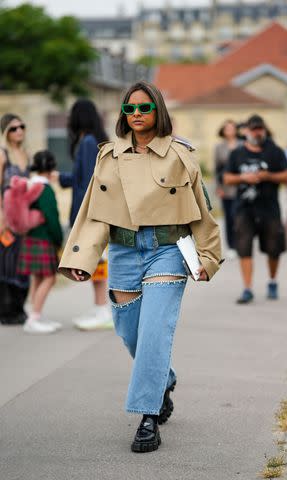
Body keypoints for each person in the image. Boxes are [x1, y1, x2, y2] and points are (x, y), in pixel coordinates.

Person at [58, 81, 222, 452]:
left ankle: (148, 417)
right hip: (123, 252)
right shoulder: (108, 156)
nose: (135, 115)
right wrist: (82, 258)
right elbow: (93, 212)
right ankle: (163, 377)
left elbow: (202, 210)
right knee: (131, 334)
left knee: (152, 332)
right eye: (129, 109)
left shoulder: (181, 155)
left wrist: (209, 257)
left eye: (144, 108)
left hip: (166, 250)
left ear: (157, 111)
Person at [56, 99, 113, 331]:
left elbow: (91, 183)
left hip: (90, 214)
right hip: (92, 212)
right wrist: (60, 177)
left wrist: (82, 218)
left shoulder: (88, 142)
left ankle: (102, 310)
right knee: (94, 261)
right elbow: (82, 179)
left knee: (96, 261)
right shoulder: (91, 141)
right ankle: (100, 307)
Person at [224, 114, 287, 304]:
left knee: (273, 249)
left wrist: (268, 175)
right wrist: (243, 178)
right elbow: (227, 178)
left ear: (264, 130)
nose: (257, 132)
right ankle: (247, 288)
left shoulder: (275, 151)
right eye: (253, 129)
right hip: (244, 209)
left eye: (260, 129)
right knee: (244, 248)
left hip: (269, 209)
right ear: (246, 132)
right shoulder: (237, 153)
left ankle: (272, 281)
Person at [18, 150, 63, 333]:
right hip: (44, 239)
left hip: (30, 238)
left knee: (38, 277)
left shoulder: (30, 186)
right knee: (50, 278)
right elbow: (52, 217)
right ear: (52, 167)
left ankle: (34, 315)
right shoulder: (45, 189)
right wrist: (59, 239)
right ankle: (34, 317)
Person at [0, 113, 30, 324]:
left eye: (21, 126)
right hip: (6, 218)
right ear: (5, 132)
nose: (18, 131)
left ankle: (19, 307)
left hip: (24, 220)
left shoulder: (26, 154)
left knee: (22, 262)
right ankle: (7, 310)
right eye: (13, 128)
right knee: (6, 263)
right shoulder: (3, 155)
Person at [214, 120, 241, 259]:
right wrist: (218, 187)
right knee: (229, 217)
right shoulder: (219, 147)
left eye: (232, 128)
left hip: (242, 187)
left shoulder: (242, 145)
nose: (230, 131)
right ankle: (231, 246)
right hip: (226, 187)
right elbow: (216, 168)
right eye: (227, 128)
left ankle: (241, 244)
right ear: (223, 131)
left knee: (241, 217)